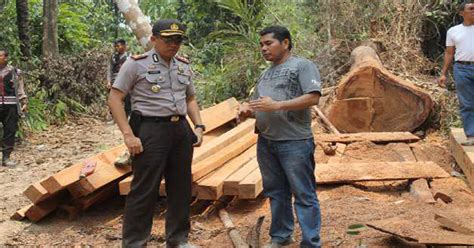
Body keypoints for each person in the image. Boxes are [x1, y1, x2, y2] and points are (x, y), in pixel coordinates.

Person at [108, 19, 205, 248]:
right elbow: (115, 98)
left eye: (178, 40)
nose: (174, 44)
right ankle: (134, 243)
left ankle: (178, 239)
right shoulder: (135, 64)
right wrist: (128, 135)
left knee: (181, 187)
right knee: (144, 188)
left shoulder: (183, 64)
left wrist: (199, 126)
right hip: (151, 130)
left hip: (180, 130)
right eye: (168, 39)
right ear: (153, 39)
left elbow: (190, 98)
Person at [238, 25, 322, 248]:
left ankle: (311, 242)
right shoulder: (265, 74)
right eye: (261, 45)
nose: (264, 49)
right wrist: (249, 111)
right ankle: (281, 236)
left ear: (285, 43)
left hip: (294, 142)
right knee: (276, 191)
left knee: (303, 193)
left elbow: (313, 97)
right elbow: (261, 106)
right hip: (267, 141)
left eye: (269, 43)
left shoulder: (302, 66)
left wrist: (277, 105)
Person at [439, 1, 474, 145]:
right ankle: (471, 136)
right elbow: (449, 53)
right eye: (471, 9)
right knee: (466, 103)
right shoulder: (453, 31)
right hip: (462, 69)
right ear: (461, 13)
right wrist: (443, 74)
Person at [0, 49, 27, 167]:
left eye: (0, 56)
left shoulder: (15, 72)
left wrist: (24, 101)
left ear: (6, 58)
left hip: (10, 106)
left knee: (9, 132)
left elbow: (20, 88)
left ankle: (6, 158)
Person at [107, 39, 131, 118]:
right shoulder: (113, 57)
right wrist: (109, 81)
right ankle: (113, 117)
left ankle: (126, 117)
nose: (117, 48)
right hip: (115, 80)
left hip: (126, 81)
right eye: (115, 46)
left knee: (127, 100)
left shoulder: (129, 57)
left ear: (124, 46)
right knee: (114, 99)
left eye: (118, 46)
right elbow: (110, 69)